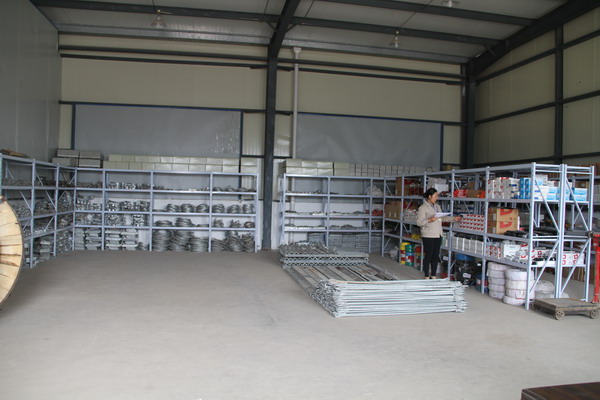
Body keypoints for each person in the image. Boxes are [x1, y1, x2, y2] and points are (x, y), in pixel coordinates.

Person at [417, 188, 461, 279]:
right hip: (428, 234)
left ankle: (433, 275)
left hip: (438, 234)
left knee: (435, 255)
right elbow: (419, 222)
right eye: (435, 196)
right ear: (429, 196)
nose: (437, 198)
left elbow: (442, 218)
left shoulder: (437, 206)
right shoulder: (423, 208)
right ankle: (426, 276)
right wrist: (430, 220)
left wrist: (453, 219)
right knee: (428, 256)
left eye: (437, 196)